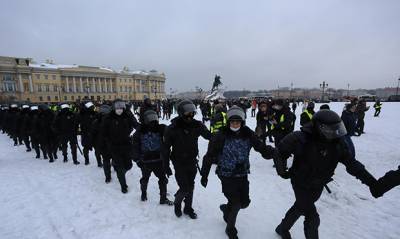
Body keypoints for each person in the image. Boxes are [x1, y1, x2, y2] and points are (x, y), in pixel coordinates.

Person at [273, 110, 378, 239]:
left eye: (336, 129)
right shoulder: (300, 137)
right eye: (330, 130)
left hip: (318, 184)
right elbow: (279, 151)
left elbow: (353, 164)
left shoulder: (338, 143)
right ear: (318, 127)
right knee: (312, 217)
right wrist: (282, 170)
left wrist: (372, 182)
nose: (334, 133)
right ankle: (284, 229)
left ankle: (282, 228)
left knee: (300, 207)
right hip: (300, 182)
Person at [200, 106, 275, 239]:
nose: (235, 124)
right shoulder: (221, 135)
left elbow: (261, 147)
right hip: (226, 174)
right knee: (235, 203)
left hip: (242, 173)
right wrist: (204, 175)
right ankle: (230, 228)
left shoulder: (248, 133)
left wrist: (275, 153)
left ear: (242, 122)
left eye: (238, 122)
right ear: (229, 122)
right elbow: (209, 156)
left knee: (244, 202)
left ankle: (226, 209)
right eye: (233, 122)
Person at [162, 99, 211, 219]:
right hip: (178, 161)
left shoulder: (197, 125)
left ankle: (188, 208)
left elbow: (209, 136)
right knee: (184, 187)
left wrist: (223, 135)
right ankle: (177, 203)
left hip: (192, 160)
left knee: (191, 185)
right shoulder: (172, 128)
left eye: (192, 113)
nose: (190, 115)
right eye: (187, 113)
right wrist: (166, 166)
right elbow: (165, 149)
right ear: (181, 113)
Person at [132, 110, 174, 205]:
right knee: (146, 178)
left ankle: (162, 198)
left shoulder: (161, 128)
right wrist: (137, 159)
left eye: (154, 118)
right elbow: (135, 147)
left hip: (158, 160)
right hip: (146, 160)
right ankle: (144, 194)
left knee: (162, 179)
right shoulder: (140, 131)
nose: (153, 120)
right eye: (150, 118)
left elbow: (171, 132)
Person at [102, 99, 138, 193]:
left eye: (121, 107)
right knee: (120, 167)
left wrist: (144, 128)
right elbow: (104, 132)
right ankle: (123, 185)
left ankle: (119, 170)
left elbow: (136, 125)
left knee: (129, 165)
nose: (119, 109)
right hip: (114, 146)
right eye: (117, 107)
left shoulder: (128, 115)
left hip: (126, 144)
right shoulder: (108, 118)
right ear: (113, 108)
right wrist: (108, 142)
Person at [92, 104, 113, 183]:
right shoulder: (97, 122)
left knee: (107, 160)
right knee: (107, 160)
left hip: (107, 144)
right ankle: (108, 176)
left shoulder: (96, 122)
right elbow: (93, 134)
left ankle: (108, 176)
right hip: (105, 144)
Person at [79, 101, 101, 166]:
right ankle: (87, 160)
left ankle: (99, 162)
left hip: (94, 134)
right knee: (86, 148)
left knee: (97, 149)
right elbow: (76, 123)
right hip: (86, 133)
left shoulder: (94, 113)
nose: (91, 106)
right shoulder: (81, 114)